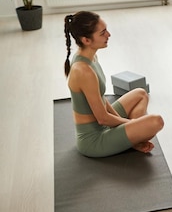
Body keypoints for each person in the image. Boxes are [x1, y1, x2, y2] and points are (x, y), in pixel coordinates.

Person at [63, 11, 164, 157]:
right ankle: (133, 138)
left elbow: (101, 98)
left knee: (140, 93)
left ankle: (132, 138)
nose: (108, 35)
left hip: (104, 125)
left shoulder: (90, 56)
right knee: (156, 121)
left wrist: (128, 126)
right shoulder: (83, 70)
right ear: (86, 40)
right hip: (94, 140)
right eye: (102, 33)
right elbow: (102, 118)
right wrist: (129, 125)